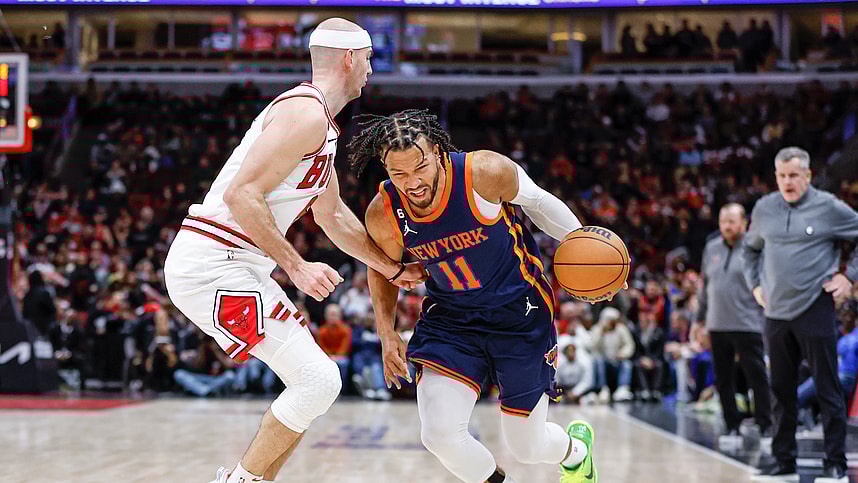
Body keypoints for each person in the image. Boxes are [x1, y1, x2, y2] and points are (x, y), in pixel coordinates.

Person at [163, 19, 424, 483]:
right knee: (319, 381)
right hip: (213, 264)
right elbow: (242, 195)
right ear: (348, 58)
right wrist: (297, 267)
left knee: (314, 384)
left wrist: (391, 268)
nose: (369, 70)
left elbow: (334, 218)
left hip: (236, 264)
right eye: (367, 58)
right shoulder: (304, 113)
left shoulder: (320, 124)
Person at [351, 109, 612, 483]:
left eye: (420, 167)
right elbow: (380, 266)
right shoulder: (384, 212)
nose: (413, 183)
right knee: (439, 435)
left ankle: (576, 453)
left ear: (439, 153)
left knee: (528, 446)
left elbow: (536, 202)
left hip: (519, 313)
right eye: (399, 174)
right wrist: (385, 330)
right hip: (452, 318)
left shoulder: (483, 173)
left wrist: (581, 244)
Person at [743, 147, 858, 482]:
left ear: (807, 175)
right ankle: (784, 462)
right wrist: (755, 286)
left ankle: (834, 463)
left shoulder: (829, 207)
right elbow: (750, 251)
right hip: (775, 313)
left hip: (815, 308)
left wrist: (848, 276)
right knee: (780, 390)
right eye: (781, 175)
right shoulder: (764, 208)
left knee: (827, 388)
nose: (787, 181)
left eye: (794, 175)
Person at [697, 203, 772, 447]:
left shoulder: (755, 248)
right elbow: (704, 287)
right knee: (723, 378)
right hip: (717, 324)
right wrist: (699, 320)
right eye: (723, 222)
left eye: (731, 222)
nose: (726, 227)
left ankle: (765, 425)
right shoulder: (711, 247)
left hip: (748, 323)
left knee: (756, 376)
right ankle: (732, 426)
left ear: (744, 223)